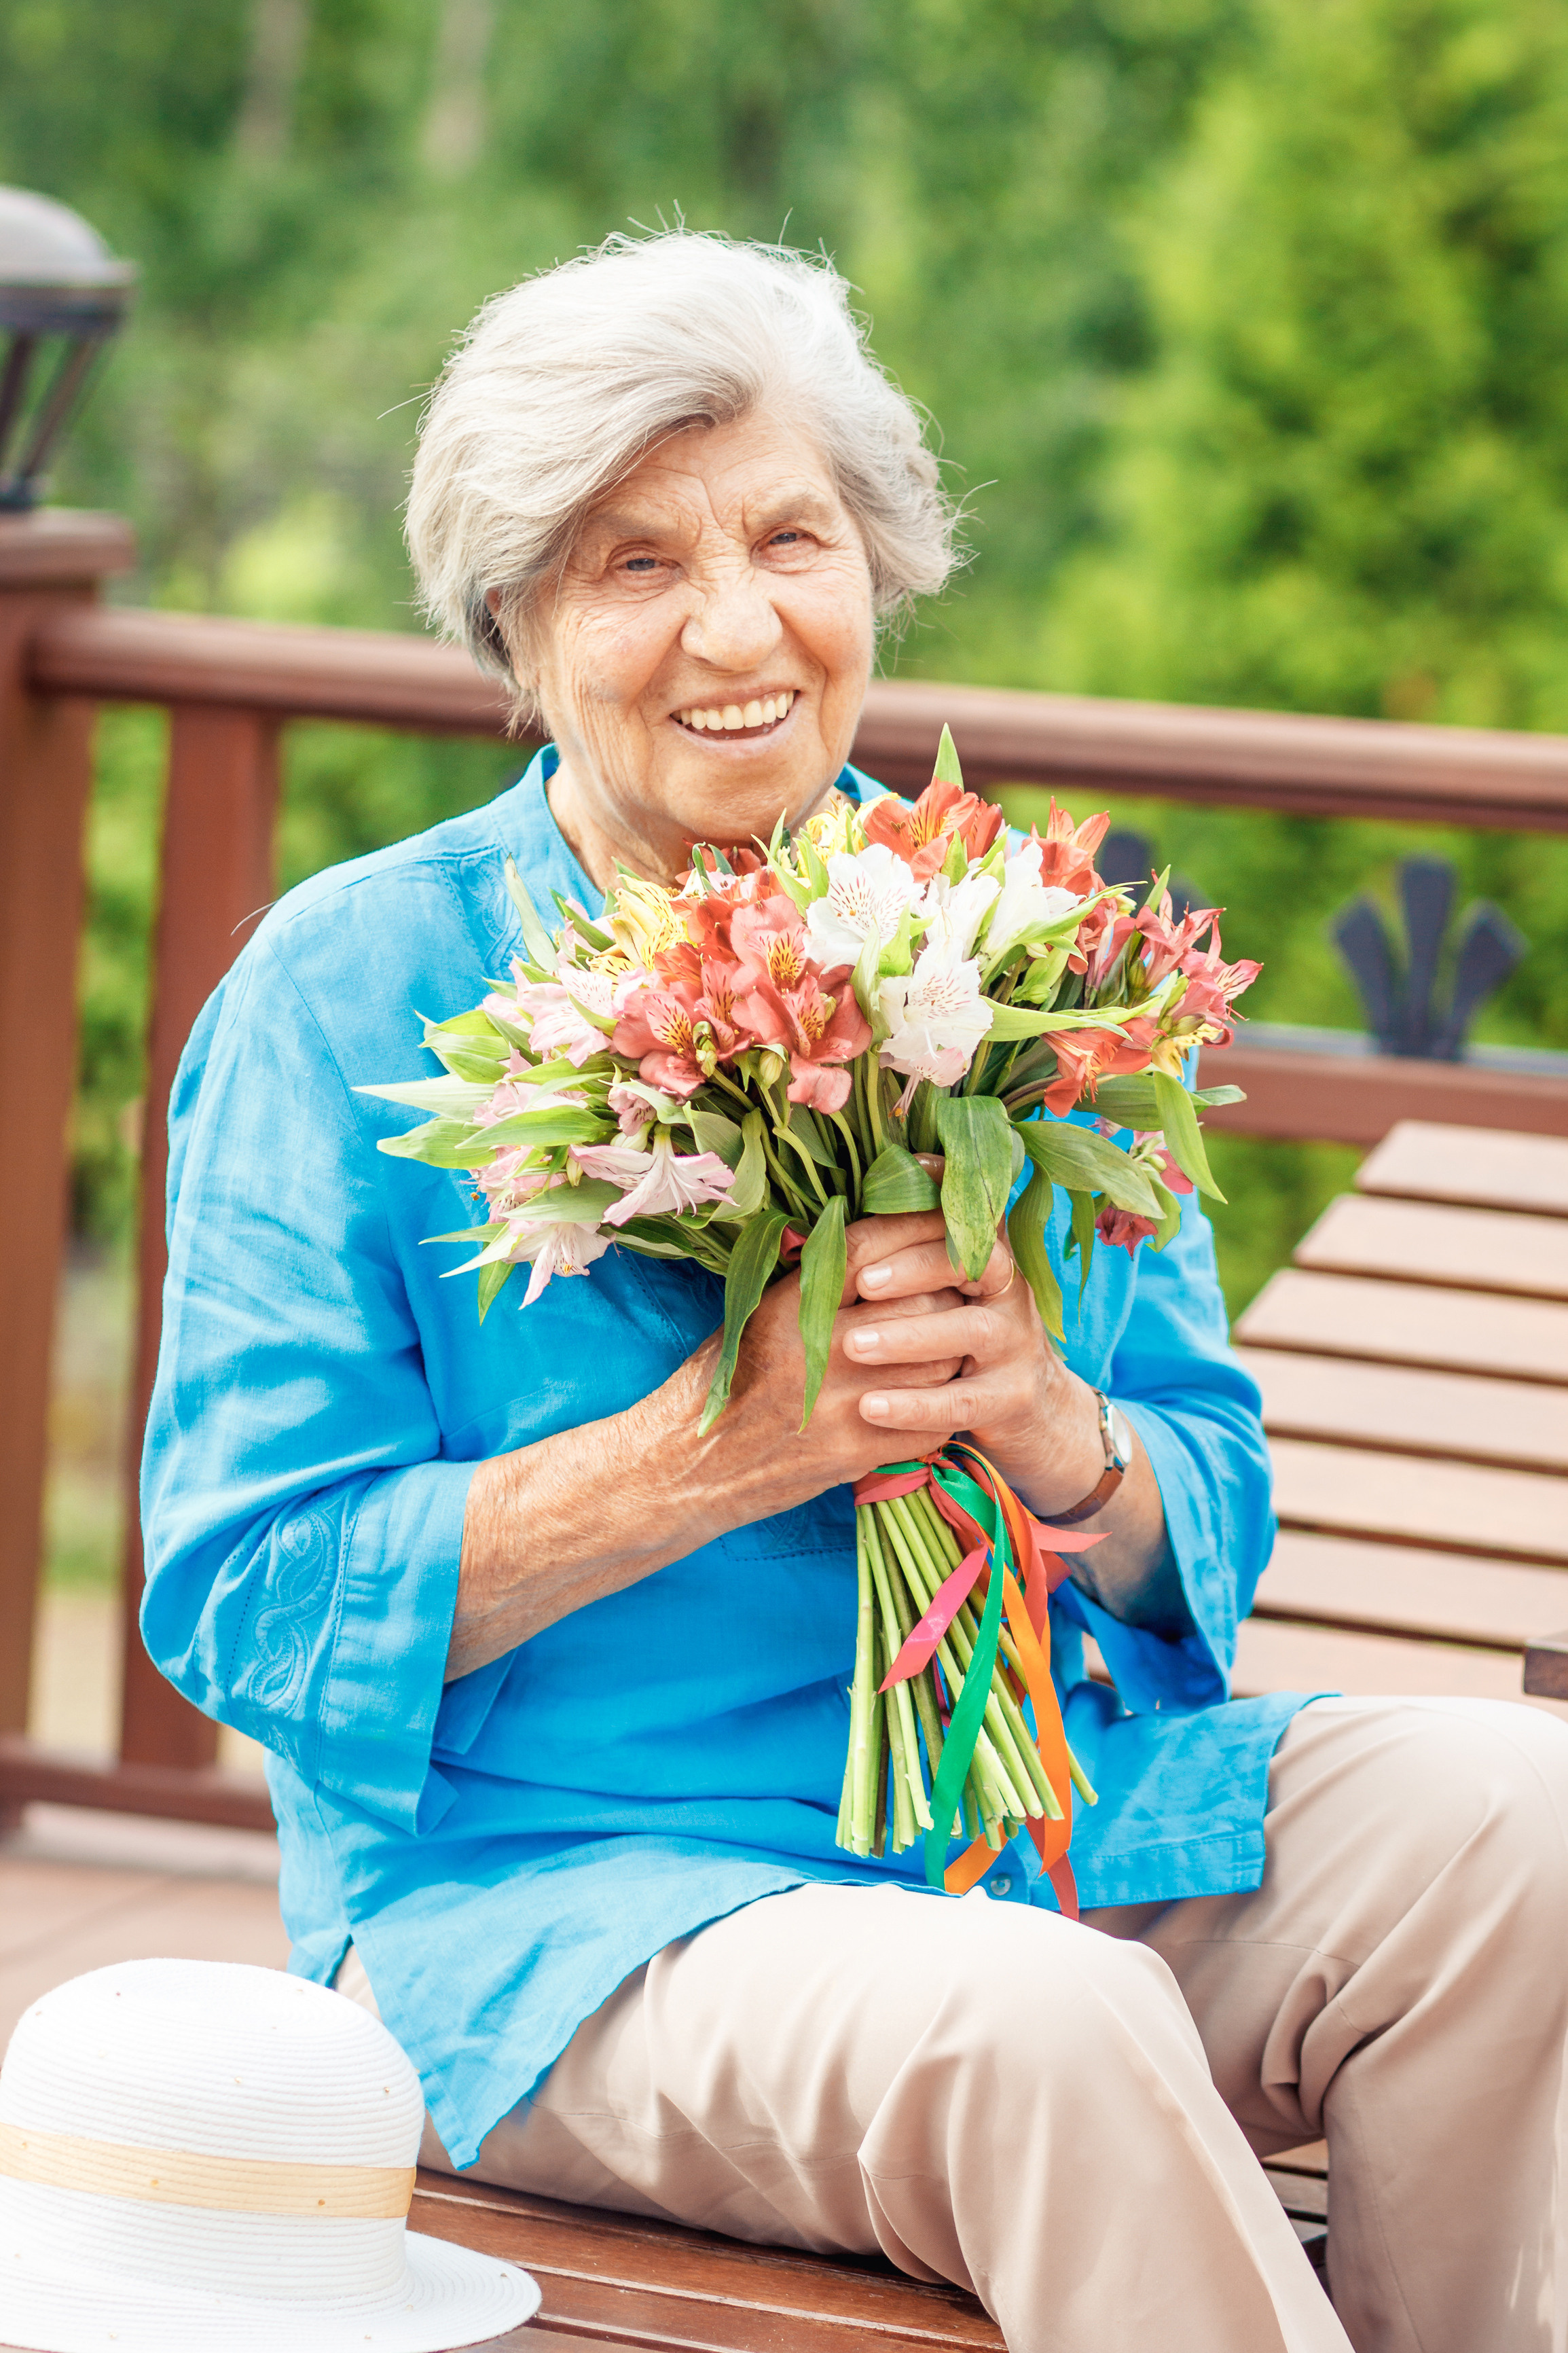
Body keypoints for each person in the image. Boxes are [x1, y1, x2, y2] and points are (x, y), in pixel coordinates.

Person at [141, 232, 1568, 2353]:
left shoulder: (1023, 944)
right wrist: (715, 1449)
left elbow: (1208, 1503)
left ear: (877, 568)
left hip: (1048, 1822)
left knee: (1528, 1831)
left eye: (789, 537)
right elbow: (248, 1604)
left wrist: (1059, 1435)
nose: (737, 629)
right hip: (566, 1905)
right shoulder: (345, 995)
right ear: (516, 633)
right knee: (1049, 2032)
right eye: (632, 565)